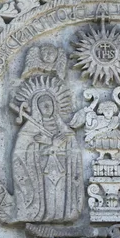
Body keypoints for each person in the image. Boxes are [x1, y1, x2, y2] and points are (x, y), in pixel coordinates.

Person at [12, 90, 83, 222]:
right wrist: (46, 143)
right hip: (41, 170)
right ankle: (44, 215)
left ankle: (62, 216)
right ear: (37, 107)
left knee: (60, 197)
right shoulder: (29, 129)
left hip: (62, 168)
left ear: (55, 105)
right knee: (47, 196)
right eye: (43, 104)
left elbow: (74, 150)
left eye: (49, 104)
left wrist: (55, 143)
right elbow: (20, 153)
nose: (46, 107)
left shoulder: (64, 129)